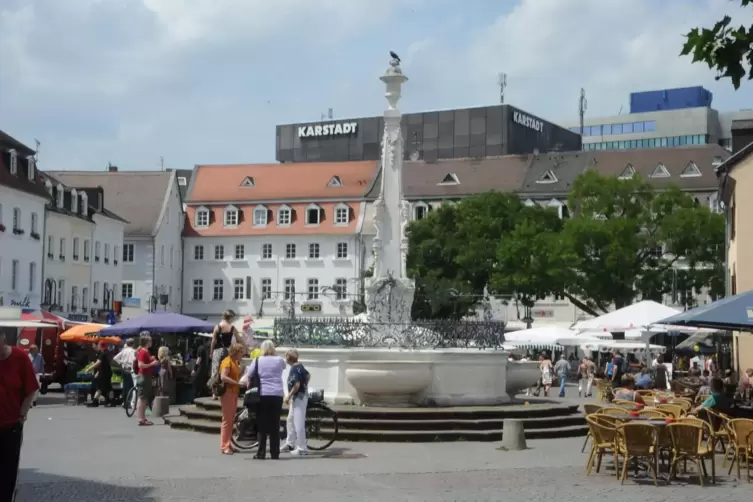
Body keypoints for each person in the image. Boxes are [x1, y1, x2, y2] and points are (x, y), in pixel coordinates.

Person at [0, 329, 39, 501]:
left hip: (10, 426)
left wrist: (22, 414)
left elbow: (31, 389)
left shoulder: (19, 358)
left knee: (7, 472)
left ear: (3, 338)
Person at [243, 340, 286, 459]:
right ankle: (275, 453)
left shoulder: (257, 360)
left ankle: (261, 453)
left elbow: (250, 374)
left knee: (262, 424)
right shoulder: (279, 360)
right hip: (277, 394)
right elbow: (284, 367)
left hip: (262, 394)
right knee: (275, 424)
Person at [282, 349, 310, 455]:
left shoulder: (294, 368)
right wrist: (305, 386)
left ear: (289, 358)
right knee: (290, 420)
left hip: (299, 397)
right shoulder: (300, 366)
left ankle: (302, 449)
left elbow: (297, 385)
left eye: (286, 357)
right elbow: (308, 376)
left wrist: (288, 396)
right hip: (299, 397)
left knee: (298, 423)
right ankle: (290, 443)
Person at [219, 343, 245, 455]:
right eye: (241, 352)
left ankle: (228, 444)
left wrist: (242, 370)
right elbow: (223, 377)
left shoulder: (234, 362)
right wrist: (237, 383)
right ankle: (224, 445)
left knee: (230, 420)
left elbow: (235, 375)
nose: (242, 355)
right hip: (228, 393)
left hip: (233, 393)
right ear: (235, 352)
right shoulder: (227, 361)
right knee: (227, 420)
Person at [210, 310, 238, 400]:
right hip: (227, 350)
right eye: (232, 317)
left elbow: (213, 341)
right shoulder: (232, 328)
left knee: (215, 370)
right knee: (225, 371)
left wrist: (211, 352)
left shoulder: (217, 327)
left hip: (218, 350)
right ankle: (224, 391)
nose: (233, 319)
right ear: (229, 317)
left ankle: (214, 393)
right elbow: (239, 339)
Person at [135, 333, 159, 426]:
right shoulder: (143, 351)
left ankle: (142, 417)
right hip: (144, 376)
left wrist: (150, 359)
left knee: (143, 398)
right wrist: (152, 364)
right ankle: (141, 418)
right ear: (146, 342)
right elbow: (140, 365)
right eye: (150, 341)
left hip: (146, 376)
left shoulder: (145, 351)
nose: (151, 342)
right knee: (142, 398)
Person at [87, 342, 114, 407]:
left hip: (104, 374)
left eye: (99, 346)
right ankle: (110, 401)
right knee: (107, 388)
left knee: (101, 387)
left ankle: (95, 401)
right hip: (106, 373)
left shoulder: (103, 354)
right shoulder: (107, 353)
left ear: (101, 346)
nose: (98, 347)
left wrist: (89, 368)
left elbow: (98, 363)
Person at [114, 338, 137, 409]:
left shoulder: (123, 351)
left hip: (124, 369)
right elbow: (133, 360)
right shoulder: (133, 351)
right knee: (133, 386)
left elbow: (115, 358)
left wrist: (122, 362)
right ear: (133, 344)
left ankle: (124, 402)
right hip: (131, 370)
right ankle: (131, 402)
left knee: (125, 386)